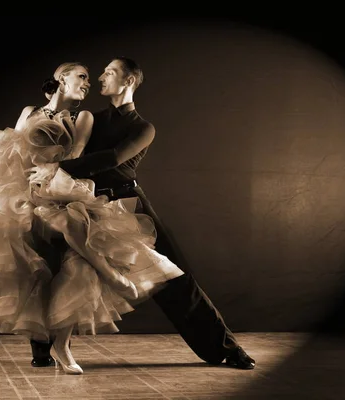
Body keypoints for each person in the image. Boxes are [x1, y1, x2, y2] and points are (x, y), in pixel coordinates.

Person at [0, 61, 185, 375]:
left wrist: (52, 171)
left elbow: (76, 155)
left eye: (92, 79)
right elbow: (9, 155)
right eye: (82, 76)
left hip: (59, 187)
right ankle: (42, 343)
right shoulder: (29, 111)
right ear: (61, 78)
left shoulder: (84, 117)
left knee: (74, 237)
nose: (88, 82)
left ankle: (90, 302)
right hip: (23, 190)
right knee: (31, 267)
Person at [30, 57, 256, 370]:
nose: (100, 77)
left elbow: (112, 158)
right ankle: (43, 347)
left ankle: (225, 348)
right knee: (59, 269)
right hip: (86, 205)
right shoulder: (89, 119)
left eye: (110, 72)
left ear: (129, 81)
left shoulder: (142, 128)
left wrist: (59, 167)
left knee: (176, 278)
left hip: (129, 205)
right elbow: (64, 144)